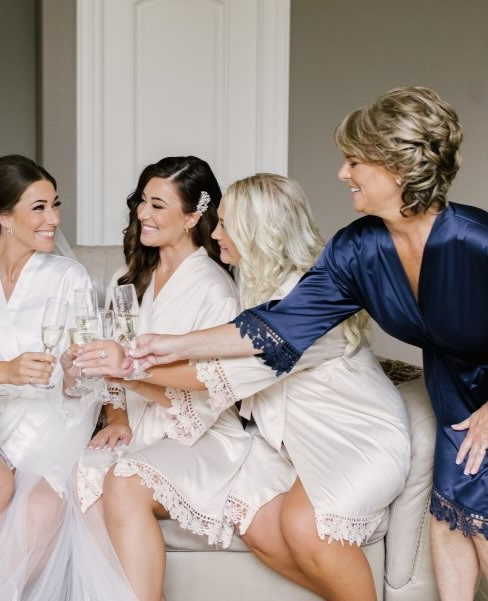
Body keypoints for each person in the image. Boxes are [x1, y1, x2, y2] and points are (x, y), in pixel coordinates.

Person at [125, 87, 488, 601]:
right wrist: (172, 343)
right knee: (451, 509)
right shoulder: (358, 247)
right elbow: (279, 325)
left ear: (398, 169)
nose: (343, 174)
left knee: (484, 511)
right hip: (452, 380)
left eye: (355, 161)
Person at [82, 173, 411, 600]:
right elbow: (225, 343)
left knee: (300, 524)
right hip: (294, 438)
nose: (214, 233)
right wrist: (153, 354)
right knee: (258, 526)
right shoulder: (254, 286)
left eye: (225, 224)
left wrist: (129, 365)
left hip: (355, 435)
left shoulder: (305, 301)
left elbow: (216, 374)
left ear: (258, 232)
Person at [0, 154, 135, 601]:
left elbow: (86, 375)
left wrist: (71, 375)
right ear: (4, 216)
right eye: (40, 208)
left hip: (55, 415)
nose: (54, 219)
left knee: (44, 502)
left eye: (55, 205)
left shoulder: (69, 276)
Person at [74, 156, 251, 601]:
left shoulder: (215, 289)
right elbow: (114, 372)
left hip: (200, 433)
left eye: (157, 205)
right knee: (82, 474)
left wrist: (130, 370)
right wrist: (116, 416)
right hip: (138, 426)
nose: (142, 214)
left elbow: (211, 385)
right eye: (141, 202)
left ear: (193, 217)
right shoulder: (129, 277)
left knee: (123, 479)